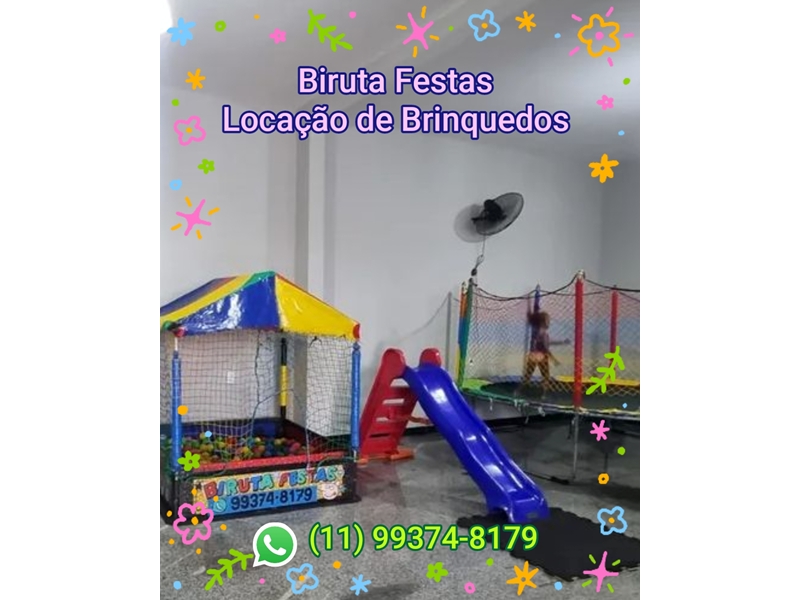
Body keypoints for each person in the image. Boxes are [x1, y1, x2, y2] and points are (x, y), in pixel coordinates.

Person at [519, 310, 563, 397]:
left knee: (527, 376)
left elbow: (545, 343)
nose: (549, 322)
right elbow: (545, 348)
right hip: (541, 357)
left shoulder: (535, 332)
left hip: (532, 356)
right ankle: (544, 395)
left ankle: (518, 391)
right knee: (546, 377)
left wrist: (561, 342)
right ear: (544, 322)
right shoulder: (544, 334)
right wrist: (554, 360)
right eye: (548, 320)